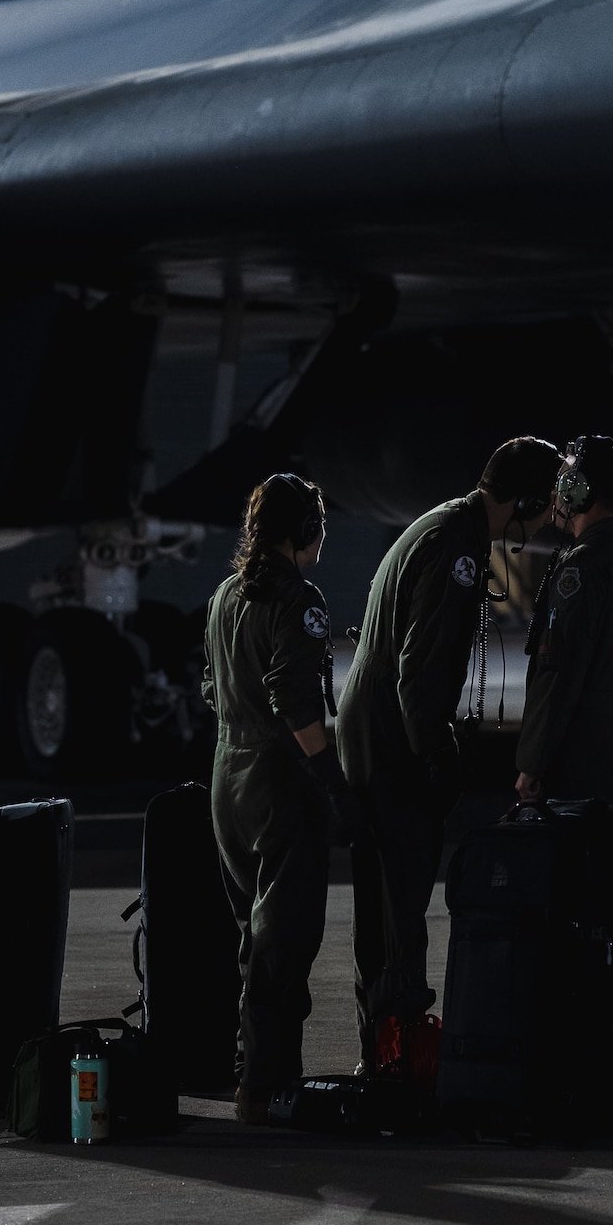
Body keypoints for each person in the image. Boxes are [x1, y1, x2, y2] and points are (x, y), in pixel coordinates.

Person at [337, 436, 563, 1071]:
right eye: (543, 505)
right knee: (399, 900)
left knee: (383, 900)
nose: (548, 518)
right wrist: (438, 757)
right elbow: (422, 669)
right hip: (393, 742)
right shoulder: (457, 548)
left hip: (374, 733)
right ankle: (396, 1053)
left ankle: (382, 1047)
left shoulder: (441, 525)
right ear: (521, 499)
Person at [201, 473, 359, 1121]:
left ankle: (257, 1074)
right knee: (285, 940)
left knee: (253, 937)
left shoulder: (223, 597)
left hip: (226, 780)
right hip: (277, 783)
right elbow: (293, 697)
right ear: (305, 531)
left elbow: (211, 689)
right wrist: (330, 777)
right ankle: (264, 1086)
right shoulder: (300, 599)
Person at [514, 435, 613, 807]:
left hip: (577, 758)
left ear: (580, 491)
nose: (558, 491)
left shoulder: (582, 566)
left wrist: (532, 763)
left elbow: (559, 672)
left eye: (565, 480)